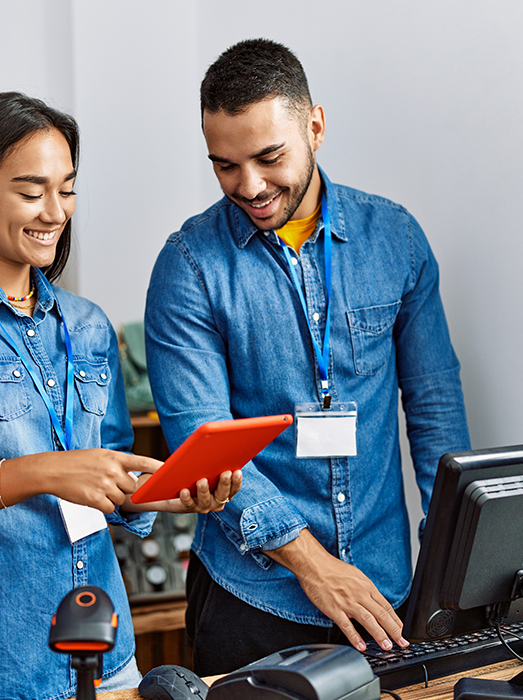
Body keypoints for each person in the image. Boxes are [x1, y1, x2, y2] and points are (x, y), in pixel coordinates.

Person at [0, 92, 241, 700]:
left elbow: (108, 468)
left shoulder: (89, 325)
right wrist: (44, 472)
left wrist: (168, 493)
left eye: (66, 189)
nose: (56, 212)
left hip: (105, 650)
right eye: (32, 192)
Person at [145, 39, 471, 676]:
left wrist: (451, 570)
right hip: (251, 597)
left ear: (315, 126)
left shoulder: (395, 238)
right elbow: (204, 439)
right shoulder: (187, 267)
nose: (250, 187)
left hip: (385, 590)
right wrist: (315, 566)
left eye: (269, 157)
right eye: (225, 166)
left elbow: (435, 412)